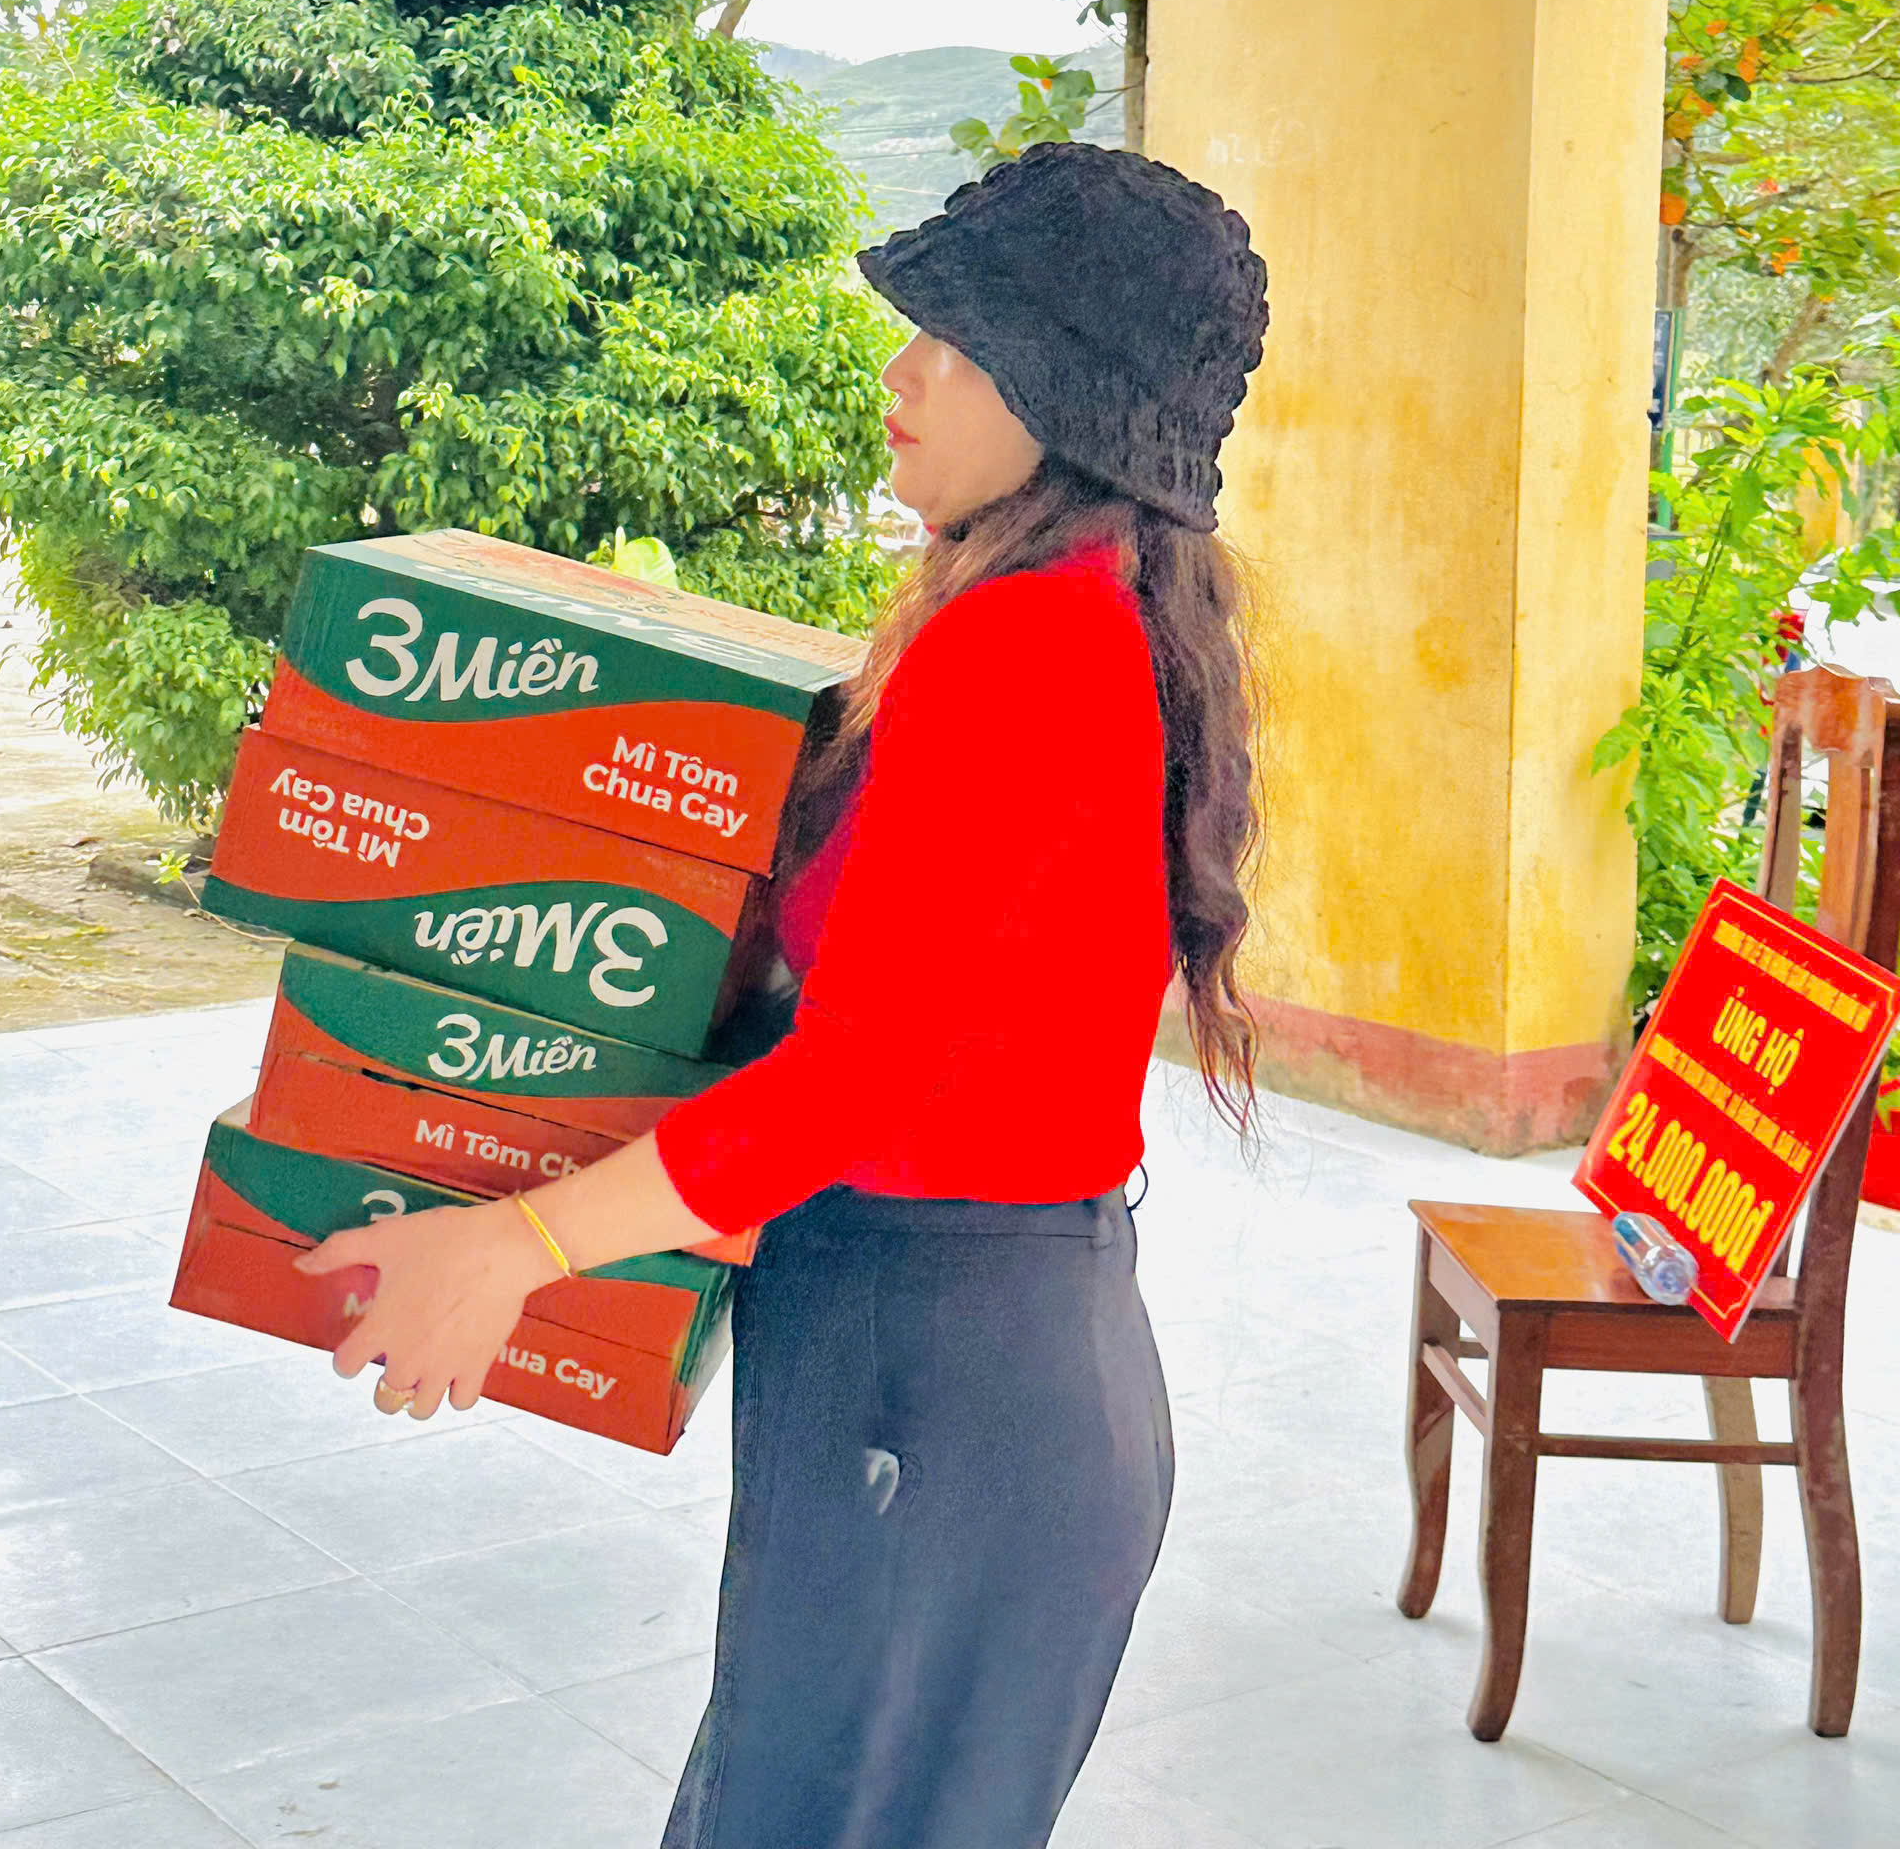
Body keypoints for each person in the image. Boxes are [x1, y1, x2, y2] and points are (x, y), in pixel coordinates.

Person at [297, 140, 1271, 1847]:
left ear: (1058, 397)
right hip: (965, 1357)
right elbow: (939, 1033)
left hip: (941, 1379)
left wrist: (510, 1247)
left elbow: (860, 1080)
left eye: (953, 345)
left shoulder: (1023, 647)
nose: (903, 374)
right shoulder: (1064, 616)